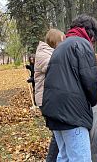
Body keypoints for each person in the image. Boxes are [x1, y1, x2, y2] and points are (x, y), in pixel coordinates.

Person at [41, 14, 97, 162]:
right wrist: (94, 100)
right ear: (91, 34)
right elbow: (90, 80)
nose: (93, 45)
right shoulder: (82, 44)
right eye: (94, 42)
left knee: (64, 157)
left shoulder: (61, 46)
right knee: (81, 158)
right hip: (72, 114)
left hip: (54, 110)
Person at [34, 28, 65, 162]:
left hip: (49, 97)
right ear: (54, 41)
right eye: (61, 41)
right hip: (45, 99)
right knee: (56, 133)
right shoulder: (43, 53)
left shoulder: (50, 52)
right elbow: (52, 66)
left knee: (58, 133)